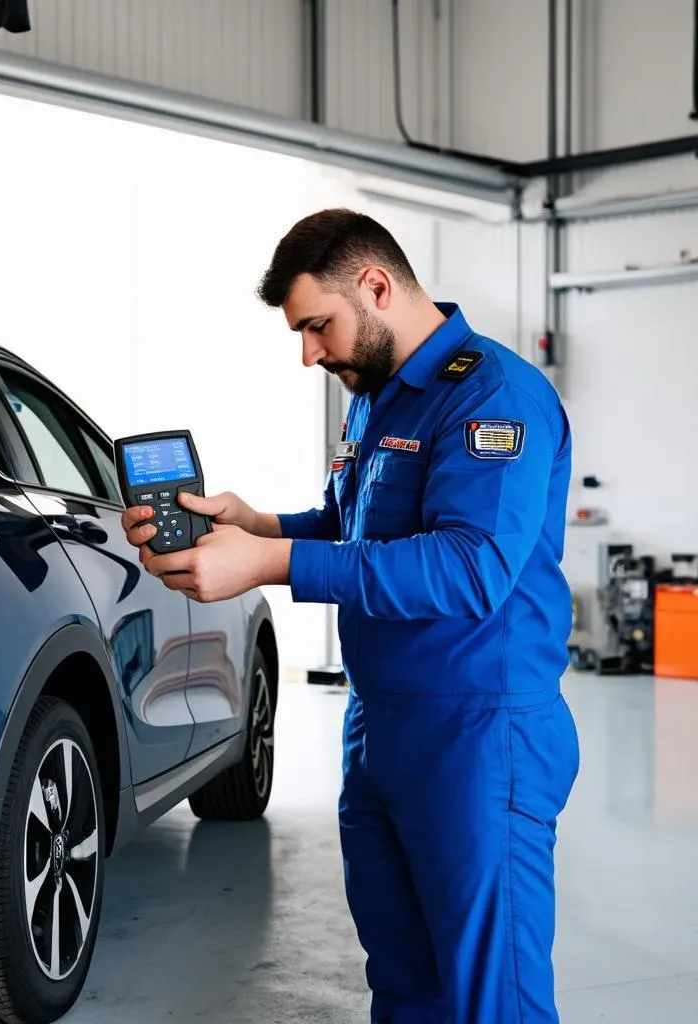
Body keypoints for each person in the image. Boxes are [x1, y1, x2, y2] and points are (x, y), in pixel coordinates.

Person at [119, 208, 581, 1023]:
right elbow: (353, 522)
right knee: (401, 979)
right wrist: (258, 525)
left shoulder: (492, 395)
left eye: (316, 327)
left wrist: (271, 564)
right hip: (381, 727)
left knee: (489, 997)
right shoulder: (373, 396)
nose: (309, 353)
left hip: (479, 733)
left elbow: (473, 567)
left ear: (376, 286)